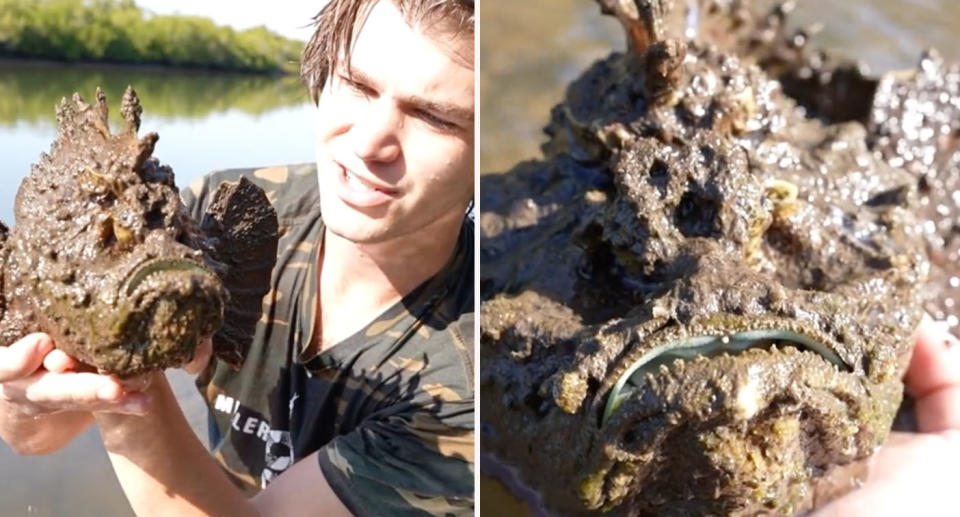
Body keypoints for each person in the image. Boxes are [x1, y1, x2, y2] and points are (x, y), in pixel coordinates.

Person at [0, 0, 475, 515]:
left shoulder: (466, 388)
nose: (368, 143)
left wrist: (130, 382)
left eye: (434, 118)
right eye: (357, 85)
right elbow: (38, 438)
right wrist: (25, 393)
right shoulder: (221, 220)